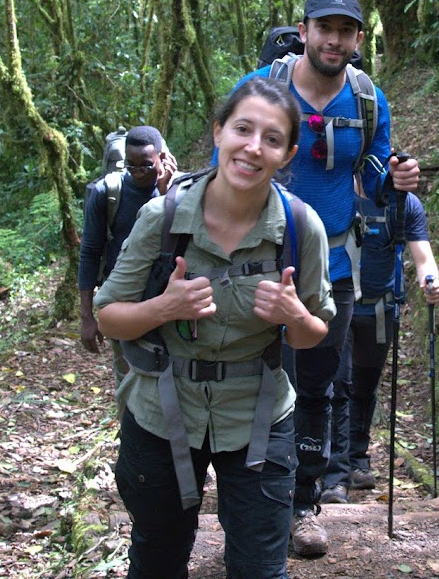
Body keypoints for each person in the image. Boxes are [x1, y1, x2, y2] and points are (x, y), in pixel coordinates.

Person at [94, 79, 335, 579]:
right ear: (219, 133)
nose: (253, 147)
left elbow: (315, 333)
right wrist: (163, 307)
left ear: (287, 154)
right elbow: (108, 315)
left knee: (259, 568)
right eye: (242, 129)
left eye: (272, 138)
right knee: (157, 559)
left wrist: (295, 317)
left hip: (260, 417)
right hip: (162, 412)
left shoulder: (300, 226)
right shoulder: (161, 219)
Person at [218, 0, 420, 556]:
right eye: (324, 28)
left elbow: (375, 176)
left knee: (318, 385)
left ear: (358, 40)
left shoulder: (366, 99)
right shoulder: (262, 89)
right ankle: (253, 498)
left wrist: (396, 180)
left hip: (334, 265)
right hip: (261, 259)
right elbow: (224, 167)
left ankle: (305, 501)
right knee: (253, 381)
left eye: (346, 31)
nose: (334, 40)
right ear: (303, 31)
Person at [321, 189, 439, 502]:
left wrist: (431, 280)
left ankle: (358, 459)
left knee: (365, 386)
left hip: (380, 311)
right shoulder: (334, 192)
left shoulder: (404, 203)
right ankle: (334, 474)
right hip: (338, 305)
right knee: (338, 385)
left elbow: (423, 256)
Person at [78, 125, 177, 383]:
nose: (137, 174)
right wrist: (87, 317)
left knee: (172, 377)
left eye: (145, 166)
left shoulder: (180, 191)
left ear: (162, 158)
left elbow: (184, 240)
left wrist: (168, 193)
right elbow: (90, 252)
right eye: (130, 166)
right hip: (123, 301)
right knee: (129, 377)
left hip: (169, 300)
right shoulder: (106, 193)